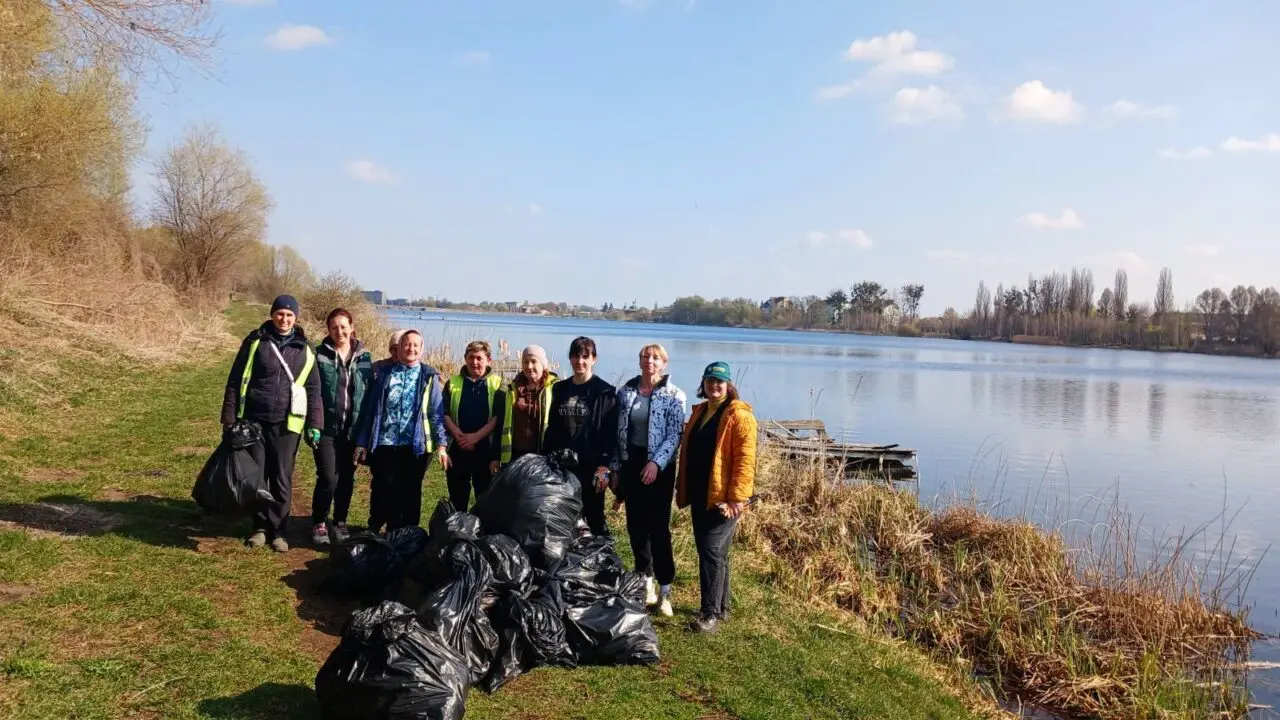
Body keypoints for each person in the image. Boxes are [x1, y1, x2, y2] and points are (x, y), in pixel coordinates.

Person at [220, 294, 323, 553]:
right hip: (254, 420)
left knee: (282, 476)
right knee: (257, 475)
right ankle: (260, 527)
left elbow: (313, 390)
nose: (284, 319)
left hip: (288, 425)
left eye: (289, 315)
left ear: (295, 318)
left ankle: (279, 530)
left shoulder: (305, 349)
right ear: (272, 314)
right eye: (280, 313)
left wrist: (315, 424)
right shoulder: (255, 342)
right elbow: (235, 381)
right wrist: (229, 418)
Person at [676, 361, 757, 633]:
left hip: (723, 499)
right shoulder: (701, 411)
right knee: (714, 552)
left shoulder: (739, 416)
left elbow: (745, 462)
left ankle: (708, 614)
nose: (714, 385)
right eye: (710, 380)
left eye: (719, 381)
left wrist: (737, 500)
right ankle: (721, 607)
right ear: (704, 383)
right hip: (702, 494)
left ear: (728, 385)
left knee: (711, 551)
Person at [614, 343, 686, 617]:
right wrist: (616, 467)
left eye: (656, 358)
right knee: (635, 526)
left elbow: (674, 435)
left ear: (663, 364)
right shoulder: (626, 392)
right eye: (645, 356)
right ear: (639, 360)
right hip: (631, 463)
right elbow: (618, 432)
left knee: (658, 529)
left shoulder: (674, 395)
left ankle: (665, 589)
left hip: (660, 467)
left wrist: (656, 462)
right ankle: (645, 582)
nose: (650, 361)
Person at [354, 329, 450, 532]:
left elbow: (436, 413)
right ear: (399, 348)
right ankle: (376, 528)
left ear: (421, 349)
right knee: (383, 488)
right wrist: (362, 442)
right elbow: (371, 411)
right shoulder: (384, 374)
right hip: (385, 442)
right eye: (407, 344)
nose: (410, 348)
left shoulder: (428, 376)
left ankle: (408, 534)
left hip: (415, 446)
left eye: (415, 345)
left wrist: (442, 445)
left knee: (411, 491)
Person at [310, 308, 373, 547]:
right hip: (326, 428)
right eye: (334, 327)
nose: (339, 332)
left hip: (353, 431)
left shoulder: (365, 358)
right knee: (328, 477)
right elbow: (313, 392)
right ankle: (319, 521)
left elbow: (369, 394)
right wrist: (313, 424)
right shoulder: (319, 355)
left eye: (343, 327)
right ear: (328, 330)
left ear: (352, 328)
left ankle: (339, 521)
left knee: (346, 478)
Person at [545, 336, 618, 536]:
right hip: (562, 465)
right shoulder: (560, 389)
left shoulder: (605, 392)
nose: (580, 361)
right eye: (576, 356)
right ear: (570, 358)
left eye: (585, 357)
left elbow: (610, 434)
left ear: (594, 359)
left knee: (594, 517)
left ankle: (601, 552)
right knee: (563, 517)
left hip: (592, 468)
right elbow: (552, 427)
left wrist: (605, 468)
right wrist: (546, 460)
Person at [442, 341, 505, 511]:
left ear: (489, 360)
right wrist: (458, 435)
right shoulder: (452, 382)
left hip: (485, 449)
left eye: (479, 358)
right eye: (470, 357)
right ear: (465, 358)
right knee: (457, 498)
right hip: (458, 447)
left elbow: (499, 417)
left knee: (485, 500)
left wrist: (475, 437)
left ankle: (482, 527)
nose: (474, 362)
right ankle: (458, 526)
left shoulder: (498, 384)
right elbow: (444, 412)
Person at [497, 345, 559, 467]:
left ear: (543, 364)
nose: (529, 366)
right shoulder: (512, 389)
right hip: (514, 456)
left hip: (543, 457)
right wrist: (496, 457)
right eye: (525, 362)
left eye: (534, 361)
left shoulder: (555, 388)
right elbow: (501, 423)